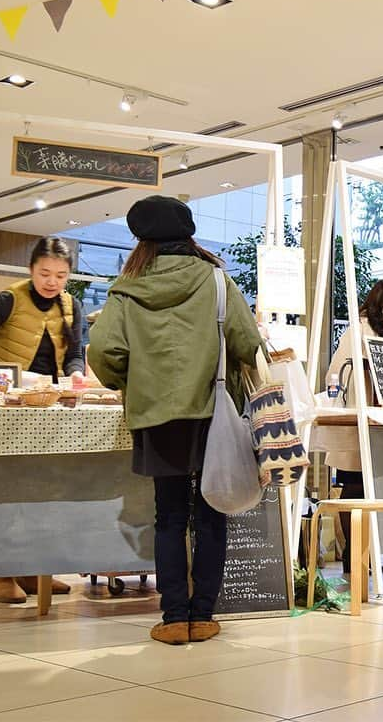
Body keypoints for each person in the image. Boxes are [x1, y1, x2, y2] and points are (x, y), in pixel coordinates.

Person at [88, 195, 264, 645]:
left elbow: (106, 353)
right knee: (212, 513)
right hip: (213, 414)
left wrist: (134, 382)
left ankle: (172, 618)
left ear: (140, 241)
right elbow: (247, 343)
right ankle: (203, 615)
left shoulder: (126, 290)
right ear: (189, 235)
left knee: (167, 516)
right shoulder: (218, 282)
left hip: (155, 417)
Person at [0, 236, 85, 604]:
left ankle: (33, 570)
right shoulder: (8, 299)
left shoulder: (70, 306)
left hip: (49, 410)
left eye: (60, 275)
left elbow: (74, 354)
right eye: (45, 273)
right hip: (7, 410)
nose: (52, 281)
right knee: (6, 487)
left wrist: (75, 375)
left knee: (44, 489)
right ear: (31, 270)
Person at [326, 278, 383, 572]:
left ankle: (368, 553)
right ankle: (354, 556)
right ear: (382, 301)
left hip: (382, 422)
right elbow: (338, 372)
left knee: (373, 488)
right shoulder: (358, 328)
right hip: (356, 419)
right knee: (354, 486)